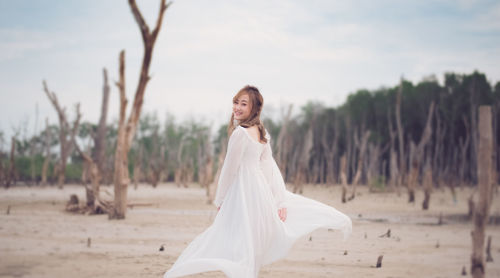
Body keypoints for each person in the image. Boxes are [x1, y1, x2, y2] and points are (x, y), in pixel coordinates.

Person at [164, 85, 352, 278]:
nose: (237, 107)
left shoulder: (241, 134)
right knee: (250, 241)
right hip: (259, 191)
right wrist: (278, 199)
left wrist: (221, 199)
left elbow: (231, 169)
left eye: (243, 104)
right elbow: (269, 169)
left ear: (254, 108)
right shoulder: (261, 132)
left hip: (244, 192)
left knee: (234, 240)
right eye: (236, 102)